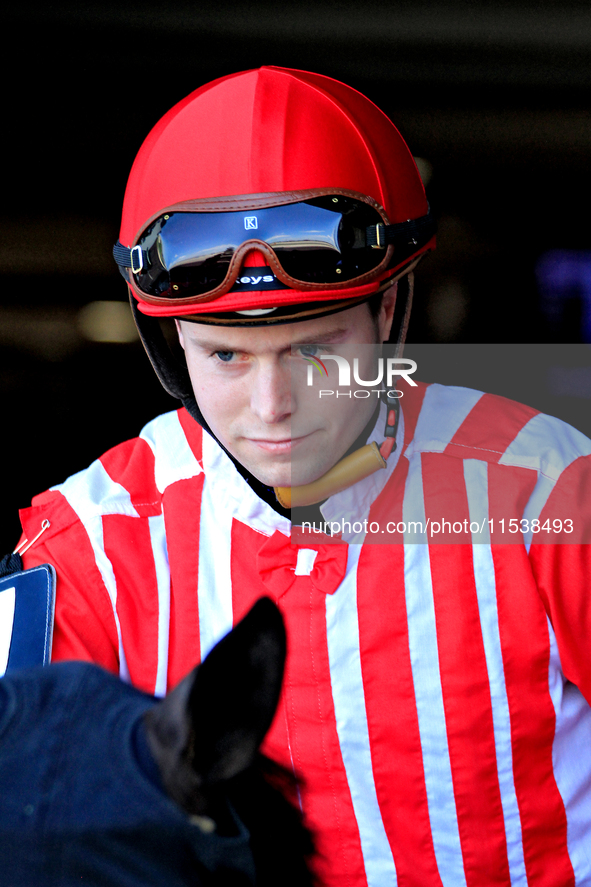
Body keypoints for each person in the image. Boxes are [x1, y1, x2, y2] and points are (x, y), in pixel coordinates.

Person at [13, 67, 591, 885]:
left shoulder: (548, 489)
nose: (273, 405)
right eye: (225, 356)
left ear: (390, 309)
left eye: (315, 348)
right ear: (167, 345)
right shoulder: (83, 548)